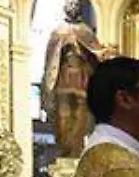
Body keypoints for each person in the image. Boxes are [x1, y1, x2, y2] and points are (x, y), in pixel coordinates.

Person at [41, 0, 115, 158]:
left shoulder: (85, 31)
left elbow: (96, 53)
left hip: (81, 81)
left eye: (76, 6)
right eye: (70, 6)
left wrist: (105, 53)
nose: (73, 8)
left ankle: (76, 149)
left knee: (81, 117)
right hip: (63, 81)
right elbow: (50, 60)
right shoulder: (58, 32)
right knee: (63, 117)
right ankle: (64, 149)